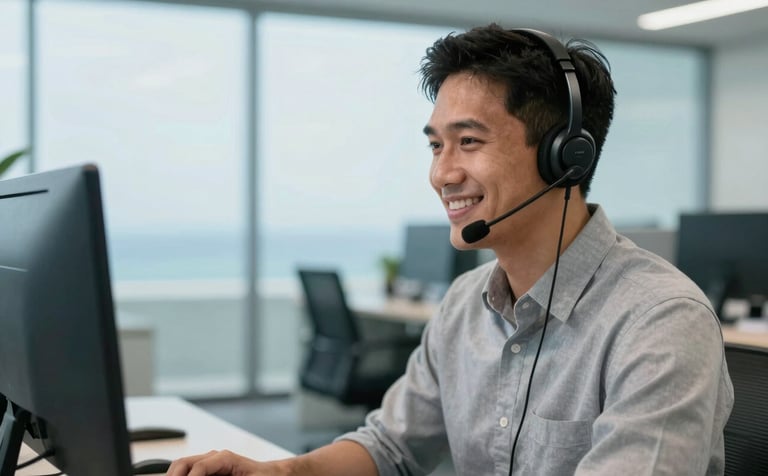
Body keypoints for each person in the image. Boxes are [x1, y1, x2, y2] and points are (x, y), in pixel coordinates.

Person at [167, 23, 733, 476]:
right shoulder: (467, 303)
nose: (442, 174)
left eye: (468, 142)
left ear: (567, 157)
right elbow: (390, 447)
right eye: (436, 146)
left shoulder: (659, 321)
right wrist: (283, 473)